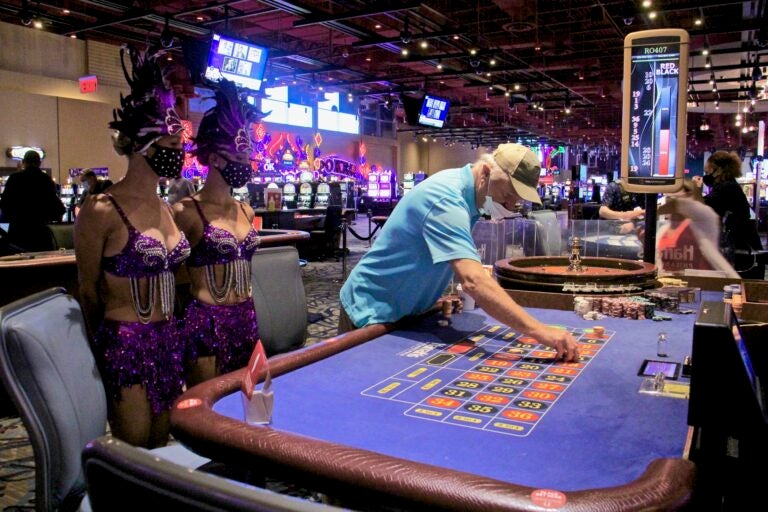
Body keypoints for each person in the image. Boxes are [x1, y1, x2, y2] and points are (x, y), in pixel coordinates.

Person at [338, 143, 579, 362]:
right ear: (485, 172)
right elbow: (473, 281)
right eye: (507, 195)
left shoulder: (471, 196)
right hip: (368, 311)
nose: (509, 206)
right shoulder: (446, 198)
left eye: (516, 200)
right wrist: (539, 330)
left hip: (403, 314)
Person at [74, 45, 190, 448]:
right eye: (172, 149)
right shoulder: (101, 210)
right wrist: (98, 350)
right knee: (135, 446)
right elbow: (87, 290)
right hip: (126, 341)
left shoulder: (167, 207)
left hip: (168, 337)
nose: (179, 157)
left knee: (165, 443)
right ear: (142, 147)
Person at [174, 79, 264, 386]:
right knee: (207, 412)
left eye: (246, 160)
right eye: (239, 159)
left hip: (247, 317)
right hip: (207, 321)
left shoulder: (246, 210)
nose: (245, 166)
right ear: (214, 157)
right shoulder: (186, 212)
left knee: (246, 406)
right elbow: (171, 276)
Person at [699, 150, 765, 279]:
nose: (706, 176)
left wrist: (695, 190)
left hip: (741, 252)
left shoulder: (726, 187)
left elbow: (705, 208)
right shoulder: (729, 185)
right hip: (742, 247)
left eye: (707, 172)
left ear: (718, 170)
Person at [656, 179, 738, 278]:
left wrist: (642, 213)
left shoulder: (705, 220)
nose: (673, 196)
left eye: (677, 192)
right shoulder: (663, 230)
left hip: (704, 285)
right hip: (670, 287)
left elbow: (680, 205)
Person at [0, 150, 65, 252]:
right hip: (39, 233)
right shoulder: (46, 180)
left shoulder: (14, 178)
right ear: (39, 163)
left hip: (18, 232)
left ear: (23, 162)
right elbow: (57, 209)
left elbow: (5, 206)